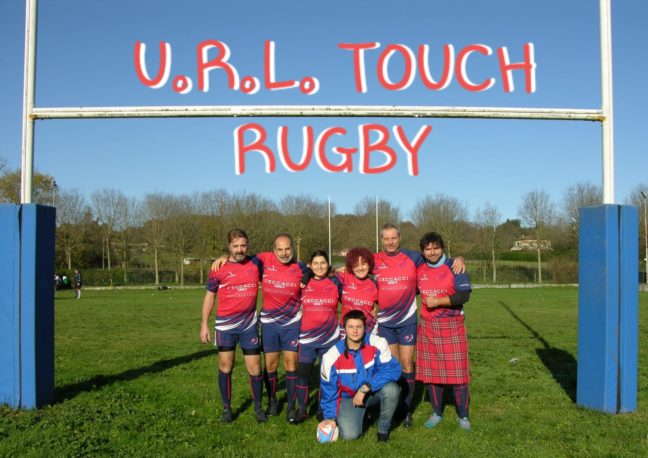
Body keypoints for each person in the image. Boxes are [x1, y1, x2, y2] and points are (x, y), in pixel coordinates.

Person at [373, 223, 465, 426]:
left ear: (400, 238)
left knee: (407, 364)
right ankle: (393, 407)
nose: (390, 242)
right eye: (386, 238)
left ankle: (406, 410)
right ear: (381, 240)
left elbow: (438, 259)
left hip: (407, 321)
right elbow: (356, 265)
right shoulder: (374, 260)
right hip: (386, 324)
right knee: (393, 366)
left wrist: (458, 259)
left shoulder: (414, 257)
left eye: (393, 238)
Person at [212, 233, 309, 422]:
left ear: (293, 249)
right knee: (270, 364)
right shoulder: (263, 260)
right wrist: (224, 257)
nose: (283, 253)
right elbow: (239, 256)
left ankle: (290, 406)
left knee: (291, 363)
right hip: (269, 323)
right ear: (273, 250)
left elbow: (318, 269)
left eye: (287, 249)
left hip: (291, 322)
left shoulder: (300, 266)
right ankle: (272, 400)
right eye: (279, 249)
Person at [200, 228, 267, 424]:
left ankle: (258, 408)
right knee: (225, 366)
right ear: (229, 246)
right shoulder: (218, 268)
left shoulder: (256, 263)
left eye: (243, 245)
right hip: (225, 327)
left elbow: (278, 266)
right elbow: (210, 296)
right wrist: (204, 324)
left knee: (255, 369)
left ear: (248, 246)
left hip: (249, 326)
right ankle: (227, 409)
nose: (239, 249)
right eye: (235, 246)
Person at [415, 231, 473, 431]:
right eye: (428, 249)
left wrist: (437, 302)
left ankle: (463, 417)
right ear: (423, 251)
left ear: (442, 248)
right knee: (432, 375)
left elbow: (464, 295)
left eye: (436, 248)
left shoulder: (454, 266)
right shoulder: (419, 270)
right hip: (428, 327)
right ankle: (436, 413)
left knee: (459, 376)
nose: (432, 252)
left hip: (452, 326)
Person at [319, 310, 401, 442]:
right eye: (350, 327)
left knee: (392, 390)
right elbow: (329, 390)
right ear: (344, 328)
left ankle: (383, 431)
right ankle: (361, 415)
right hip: (349, 398)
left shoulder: (378, 343)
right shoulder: (331, 356)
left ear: (365, 327)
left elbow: (393, 370)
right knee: (349, 436)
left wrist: (366, 387)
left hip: (373, 390)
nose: (355, 331)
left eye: (359, 327)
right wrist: (330, 417)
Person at [294, 250, 341, 423]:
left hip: (329, 339)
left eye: (323, 263)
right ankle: (302, 410)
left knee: (326, 376)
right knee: (303, 375)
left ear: (328, 265)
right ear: (310, 265)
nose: (319, 266)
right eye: (315, 263)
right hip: (307, 339)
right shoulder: (303, 283)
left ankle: (322, 409)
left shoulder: (336, 282)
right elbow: (294, 263)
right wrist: (306, 273)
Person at [336, 247, 378, 336]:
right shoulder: (345, 277)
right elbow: (323, 273)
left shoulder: (375, 285)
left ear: (369, 265)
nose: (360, 268)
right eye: (356, 265)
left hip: (367, 328)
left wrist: (376, 311)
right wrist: (334, 269)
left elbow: (387, 304)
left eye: (363, 264)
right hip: (346, 327)